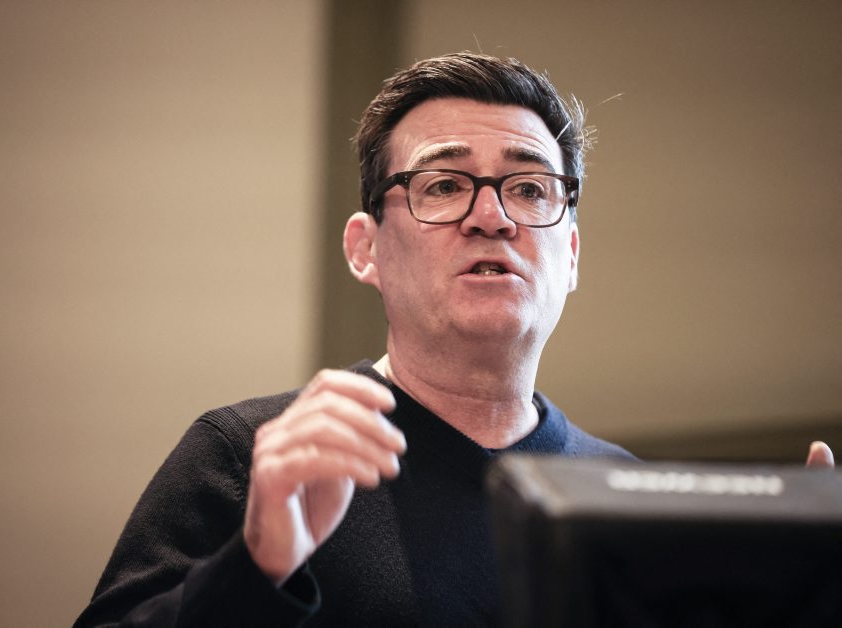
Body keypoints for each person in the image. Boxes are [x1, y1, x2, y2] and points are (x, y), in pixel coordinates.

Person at [75, 53, 835, 627]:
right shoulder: (254, 458)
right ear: (365, 248)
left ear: (571, 255)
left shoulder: (635, 500)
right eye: (443, 186)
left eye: (530, 189)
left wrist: (805, 591)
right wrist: (256, 568)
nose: (492, 217)